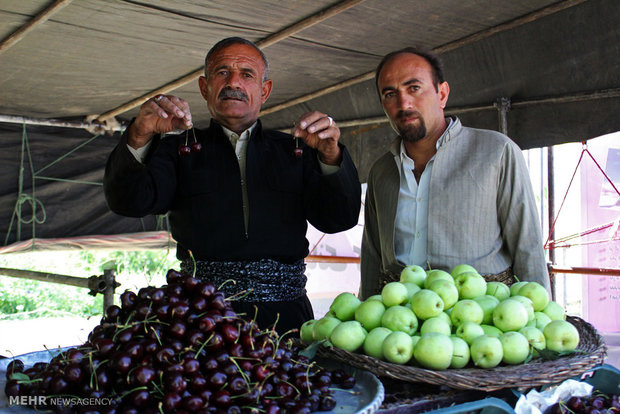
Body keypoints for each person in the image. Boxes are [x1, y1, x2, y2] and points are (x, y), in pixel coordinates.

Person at [104, 37, 361, 335]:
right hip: (200, 318)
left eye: (247, 74)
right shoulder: (179, 149)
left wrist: (330, 155)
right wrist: (138, 134)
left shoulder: (296, 150)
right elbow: (127, 202)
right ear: (205, 87)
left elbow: (339, 219)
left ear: (264, 91)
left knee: (288, 381)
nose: (233, 82)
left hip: (285, 317)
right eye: (222, 72)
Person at [360, 46, 550, 299]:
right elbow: (372, 257)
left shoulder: (496, 152)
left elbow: (528, 247)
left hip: (481, 321)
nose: (403, 104)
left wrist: (542, 321)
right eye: (390, 94)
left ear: (442, 93)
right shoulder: (381, 171)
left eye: (414, 88)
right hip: (399, 325)